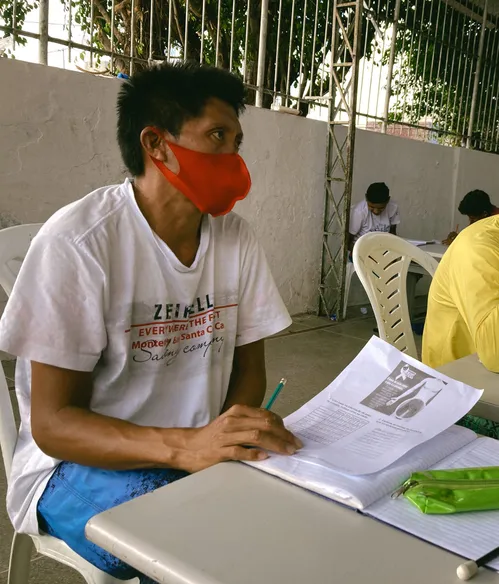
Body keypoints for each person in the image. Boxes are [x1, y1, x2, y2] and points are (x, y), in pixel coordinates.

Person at [0, 62, 302, 582]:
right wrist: (188, 448)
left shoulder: (236, 239)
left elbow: (250, 368)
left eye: (237, 140)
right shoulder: (79, 244)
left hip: (194, 451)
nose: (234, 157)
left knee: (288, 511)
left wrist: (226, 436)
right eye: (217, 136)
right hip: (73, 469)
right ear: (156, 145)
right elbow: (53, 424)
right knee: (198, 540)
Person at [348, 182, 400, 252]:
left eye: (381, 208)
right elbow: (348, 240)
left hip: (382, 250)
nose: (376, 211)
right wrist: (358, 253)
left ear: (388, 200)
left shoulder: (393, 208)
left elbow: (392, 234)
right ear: (366, 198)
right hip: (361, 250)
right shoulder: (359, 212)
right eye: (371, 207)